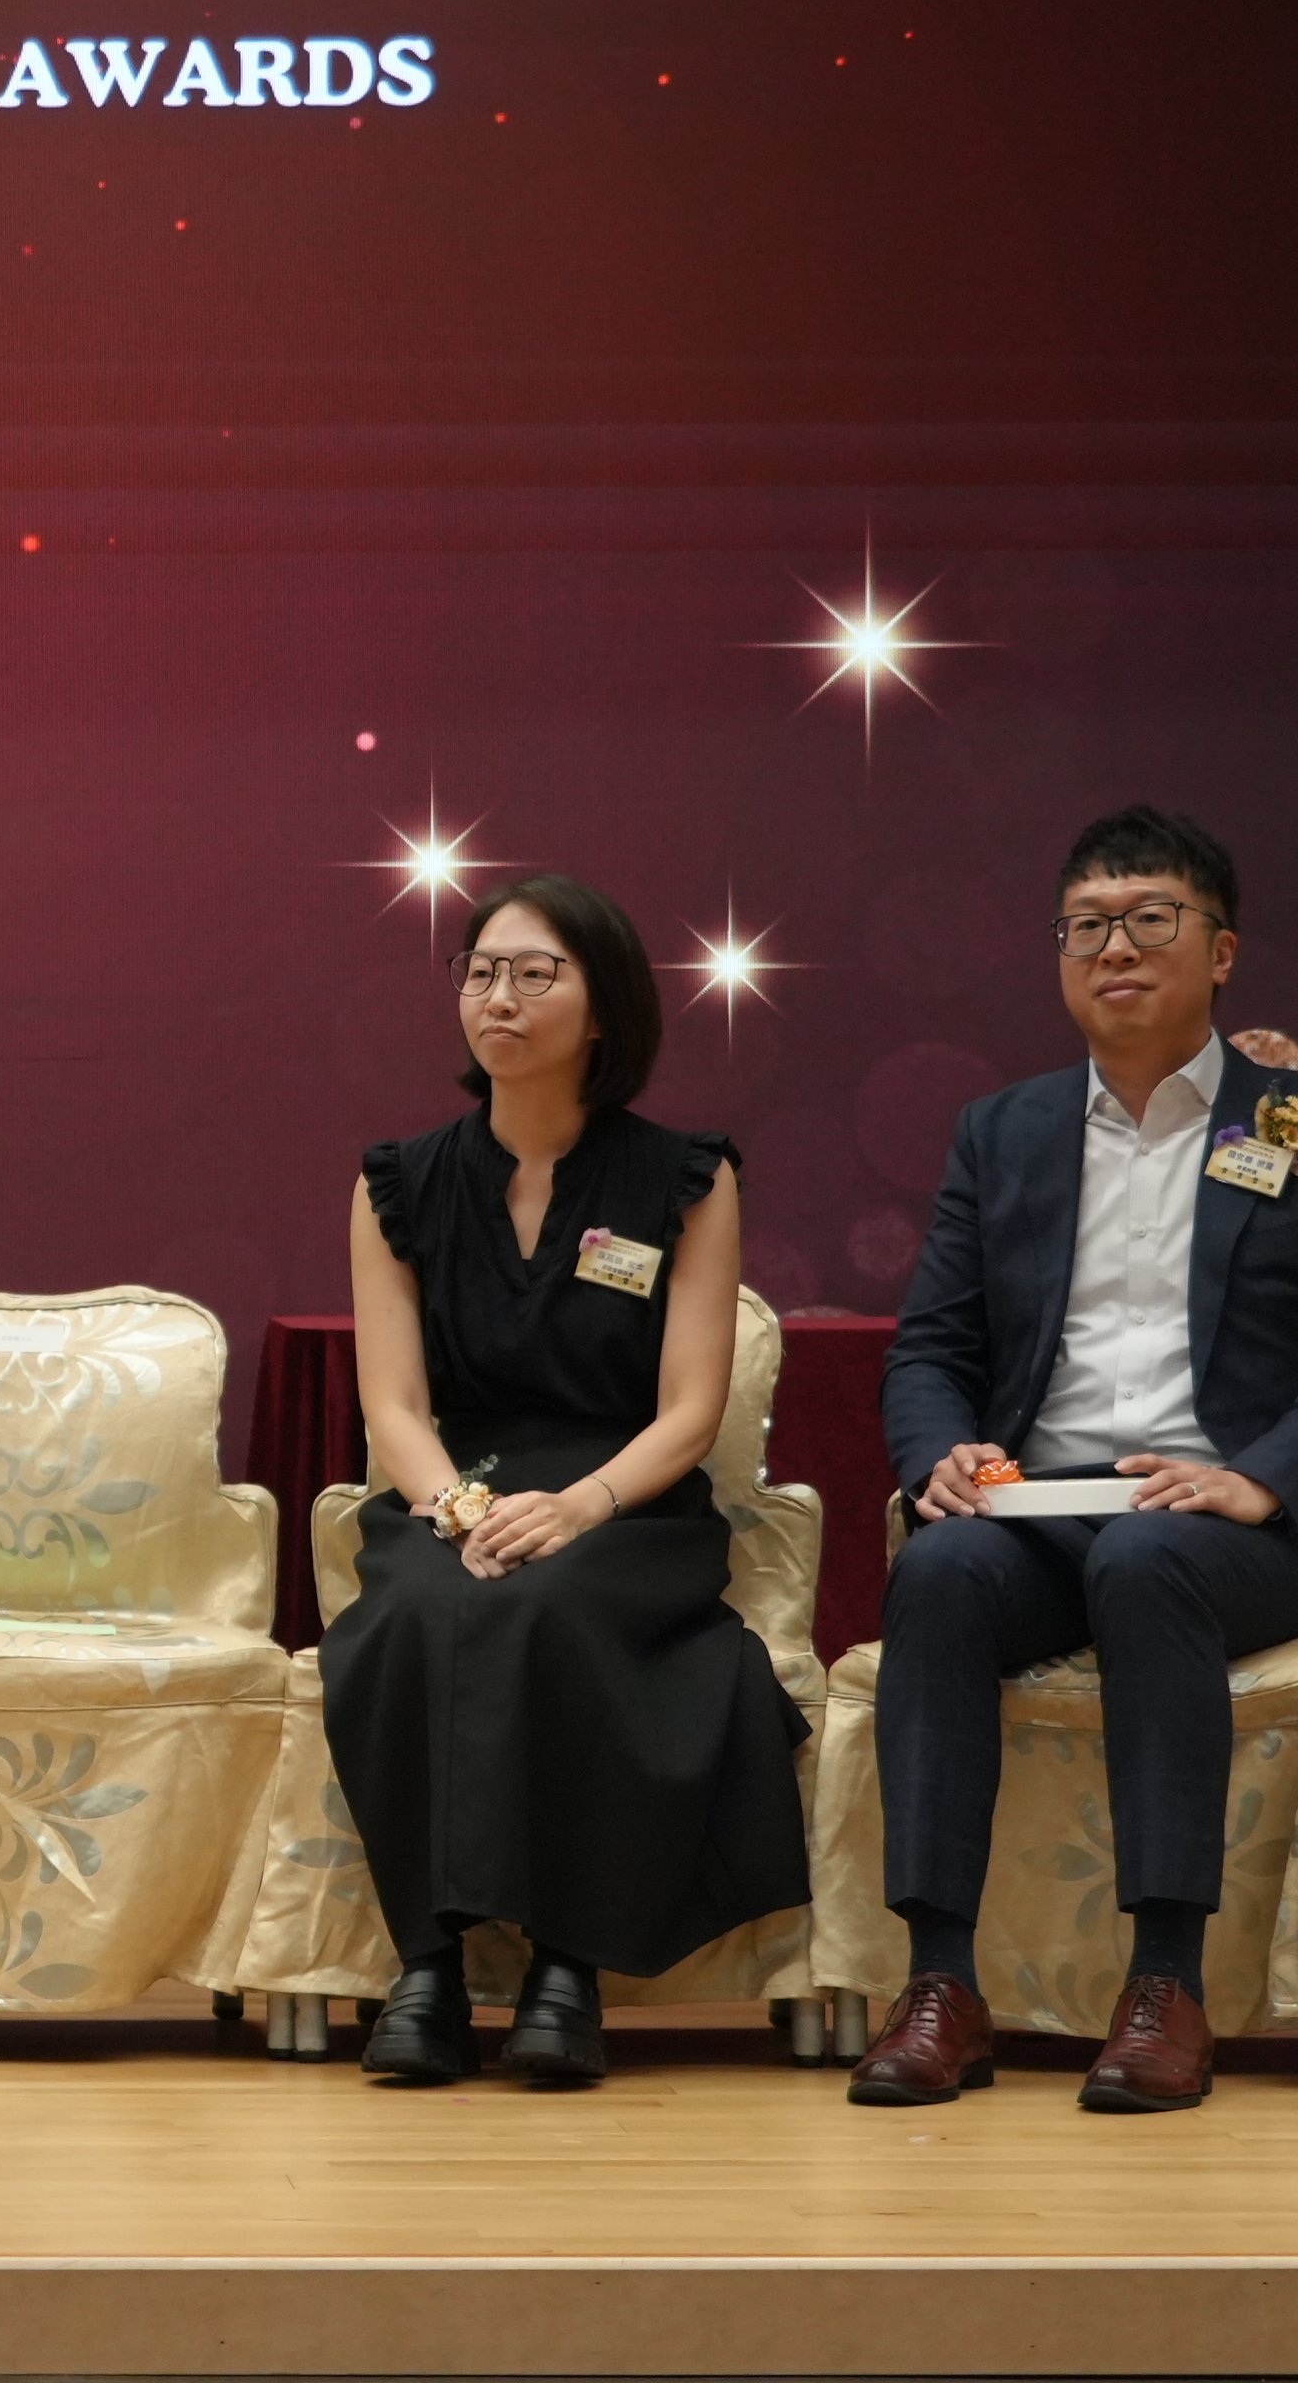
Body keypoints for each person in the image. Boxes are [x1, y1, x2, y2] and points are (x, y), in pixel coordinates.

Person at [853, 805, 1298, 2112]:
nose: (1115, 948)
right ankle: (939, 1987)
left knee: (1150, 1557)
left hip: (1235, 1530)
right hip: (1044, 1509)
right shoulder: (1002, 1131)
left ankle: (1165, 1985)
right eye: (1087, 926)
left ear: (1221, 951)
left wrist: (1265, 1473)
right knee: (939, 1572)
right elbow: (931, 1345)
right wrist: (941, 1454)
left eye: (1150, 920)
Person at [320, 874, 799, 2088]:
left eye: (537, 975)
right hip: (459, 1486)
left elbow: (690, 1410)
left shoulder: (687, 1178)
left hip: (625, 1499)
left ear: (603, 1009)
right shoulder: (397, 1183)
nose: (501, 997)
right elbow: (394, 1407)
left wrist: (581, 1507)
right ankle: (428, 1966)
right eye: (482, 972)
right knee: (414, 1614)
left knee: (555, 1606)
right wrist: (459, 1511)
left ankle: (566, 1968)